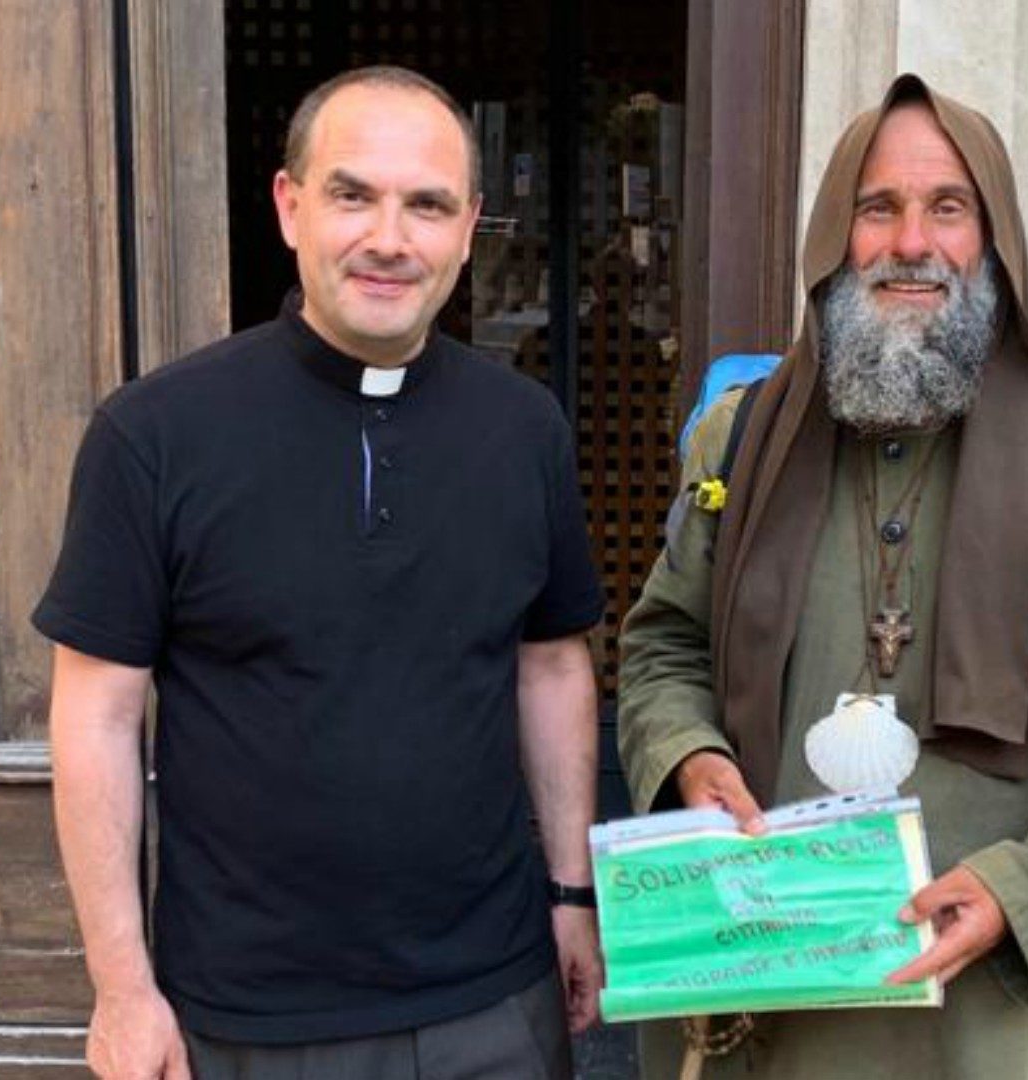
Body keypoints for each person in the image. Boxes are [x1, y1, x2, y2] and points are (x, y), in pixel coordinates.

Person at [616, 72, 1028, 1079]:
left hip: (989, 1025)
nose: (912, 243)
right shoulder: (740, 445)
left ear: (993, 243)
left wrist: (1025, 894)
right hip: (761, 1006)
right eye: (879, 209)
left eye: (949, 208)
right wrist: (689, 754)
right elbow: (664, 646)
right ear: (834, 239)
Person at [34, 65, 604, 1080]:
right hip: (251, 1018)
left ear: (469, 230)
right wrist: (123, 990)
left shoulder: (525, 431)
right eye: (353, 194)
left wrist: (571, 895)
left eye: (426, 205)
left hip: (496, 1001)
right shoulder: (155, 435)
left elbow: (551, 667)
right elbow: (97, 716)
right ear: (290, 207)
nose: (390, 237)